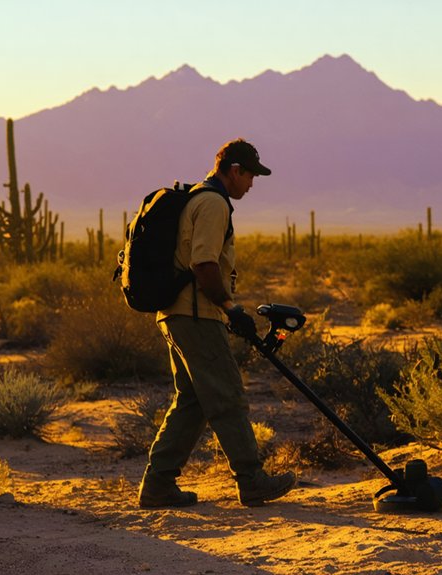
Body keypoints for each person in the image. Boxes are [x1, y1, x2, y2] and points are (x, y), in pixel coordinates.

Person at [137, 138, 297, 508]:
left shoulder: (199, 197)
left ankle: (158, 485)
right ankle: (251, 480)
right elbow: (203, 263)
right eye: (250, 176)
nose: (252, 184)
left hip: (176, 313)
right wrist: (230, 307)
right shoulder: (212, 203)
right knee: (227, 395)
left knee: (193, 401)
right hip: (195, 315)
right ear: (234, 171)